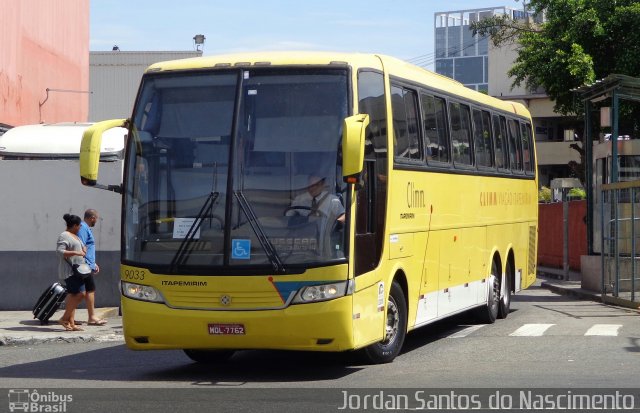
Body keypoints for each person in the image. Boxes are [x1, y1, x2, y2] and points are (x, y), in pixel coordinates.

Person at [56, 214, 87, 331]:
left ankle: (71, 323)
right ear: (74, 225)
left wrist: (83, 250)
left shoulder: (75, 236)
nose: (80, 228)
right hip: (69, 271)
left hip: (79, 271)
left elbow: (82, 248)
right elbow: (60, 252)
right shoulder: (64, 235)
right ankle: (64, 318)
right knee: (80, 294)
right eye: (79, 225)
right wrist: (77, 253)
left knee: (73, 296)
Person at [77, 209, 107, 326]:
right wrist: (90, 264)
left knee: (81, 292)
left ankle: (70, 316)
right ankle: (91, 317)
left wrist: (93, 263)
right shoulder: (84, 228)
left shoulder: (84, 228)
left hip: (88, 264)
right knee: (88, 291)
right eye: (96, 219)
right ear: (92, 218)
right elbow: (82, 247)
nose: (96, 221)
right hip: (85, 265)